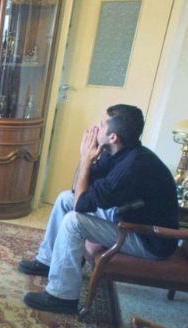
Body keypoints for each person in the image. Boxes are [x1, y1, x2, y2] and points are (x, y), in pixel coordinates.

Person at [18, 104, 178, 314]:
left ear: (113, 137)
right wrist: (87, 159)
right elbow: (77, 191)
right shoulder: (118, 153)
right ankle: (47, 261)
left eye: (102, 125)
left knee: (74, 221)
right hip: (127, 218)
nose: (96, 128)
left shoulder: (132, 167)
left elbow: (81, 205)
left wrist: (85, 159)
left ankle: (62, 296)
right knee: (64, 198)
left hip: (149, 239)